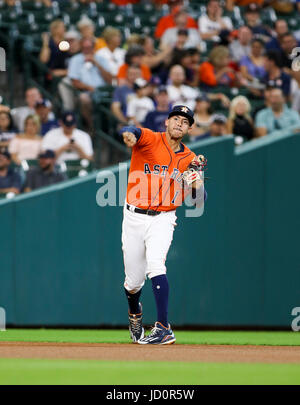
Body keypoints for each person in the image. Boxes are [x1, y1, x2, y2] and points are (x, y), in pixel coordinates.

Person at [120, 105, 207, 344]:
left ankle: (163, 328)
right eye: (176, 118)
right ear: (167, 123)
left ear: (189, 128)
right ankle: (135, 312)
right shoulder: (150, 139)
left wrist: (196, 182)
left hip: (164, 218)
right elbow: (132, 131)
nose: (180, 123)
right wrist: (128, 134)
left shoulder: (189, 159)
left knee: (156, 265)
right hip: (134, 216)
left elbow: (199, 200)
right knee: (133, 281)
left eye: (185, 121)